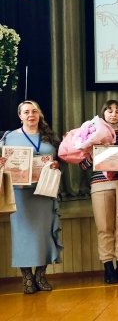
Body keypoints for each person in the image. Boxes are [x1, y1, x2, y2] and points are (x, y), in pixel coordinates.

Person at [0, 100, 62, 294]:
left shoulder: (49, 136)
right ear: (20, 116)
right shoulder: (9, 137)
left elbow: (59, 159)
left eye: (34, 111)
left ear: (39, 114)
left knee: (44, 235)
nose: (31, 115)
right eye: (26, 112)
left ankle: (40, 276)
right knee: (23, 236)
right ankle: (27, 277)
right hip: (20, 195)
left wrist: (56, 164)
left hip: (45, 192)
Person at [79, 99, 118, 284]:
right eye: (110, 111)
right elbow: (83, 165)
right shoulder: (92, 133)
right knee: (104, 227)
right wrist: (95, 156)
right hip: (101, 185)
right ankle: (108, 267)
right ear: (103, 113)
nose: (114, 114)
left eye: (117, 111)